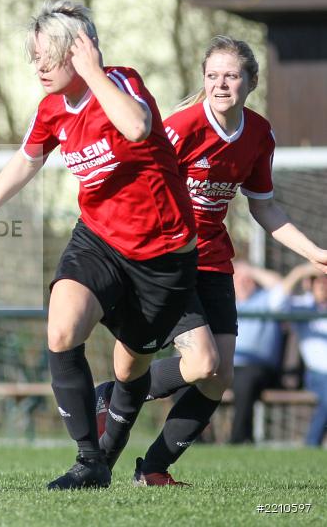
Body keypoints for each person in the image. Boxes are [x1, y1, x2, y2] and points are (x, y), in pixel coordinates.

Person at [0, 0, 200, 490]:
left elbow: (136, 127)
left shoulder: (122, 82)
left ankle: (110, 455)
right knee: (62, 328)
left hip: (161, 256)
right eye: (35, 57)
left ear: (80, 52)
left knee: (130, 368)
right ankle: (88, 460)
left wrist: (93, 73)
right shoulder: (51, 109)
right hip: (98, 240)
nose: (39, 67)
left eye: (49, 56)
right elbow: (27, 160)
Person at [96, 36, 327, 484]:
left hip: (215, 261)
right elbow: (139, 190)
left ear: (251, 82)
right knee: (202, 362)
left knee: (217, 379)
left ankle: (153, 469)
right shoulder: (180, 128)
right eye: (213, 75)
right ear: (204, 80)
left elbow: (264, 207)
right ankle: (111, 394)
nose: (221, 84)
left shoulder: (259, 134)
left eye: (232, 75)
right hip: (168, 259)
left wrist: (314, 252)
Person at [229, 261, 287, 444]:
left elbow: (281, 285)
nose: (243, 282)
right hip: (225, 366)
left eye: (248, 279)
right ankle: (193, 440)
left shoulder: (266, 300)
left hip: (257, 368)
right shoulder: (224, 302)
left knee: (245, 381)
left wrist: (250, 270)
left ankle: (239, 440)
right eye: (238, 278)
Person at [285, 264, 327, 447]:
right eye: (320, 282)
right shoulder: (302, 306)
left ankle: (312, 444)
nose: (324, 286)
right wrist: (301, 272)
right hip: (317, 373)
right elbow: (277, 301)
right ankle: (311, 443)